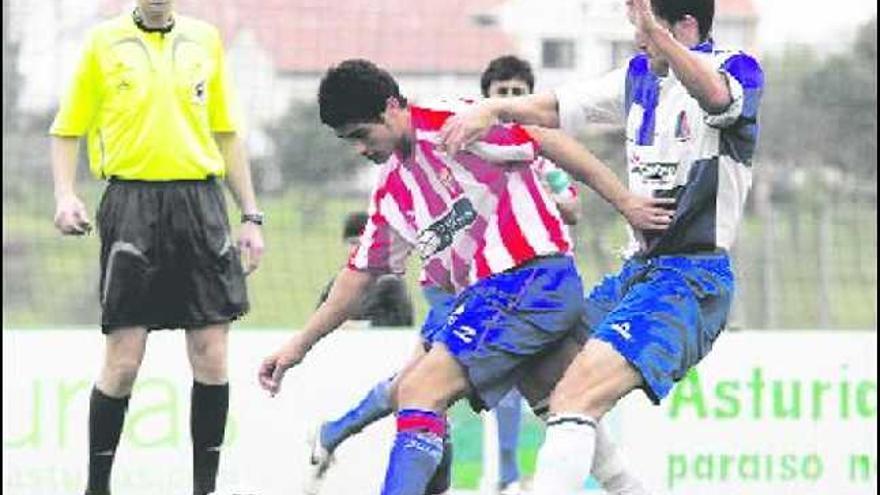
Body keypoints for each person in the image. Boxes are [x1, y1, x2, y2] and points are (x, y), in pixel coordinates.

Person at [258, 58, 671, 495]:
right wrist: (297, 346)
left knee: (418, 390)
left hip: (530, 280)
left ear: (393, 106)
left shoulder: (449, 124)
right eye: (349, 141)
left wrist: (625, 201)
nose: (360, 148)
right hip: (493, 297)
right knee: (566, 410)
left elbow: (545, 137)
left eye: (362, 134)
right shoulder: (392, 188)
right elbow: (359, 275)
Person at [439, 0, 764, 492]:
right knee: (540, 364)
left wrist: (660, 35)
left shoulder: (734, 69)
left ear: (685, 26)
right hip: (638, 274)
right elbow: (556, 107)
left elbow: (716, 96)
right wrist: (494, 108)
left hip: (691, 281)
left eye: (643, 28)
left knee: (576, 396)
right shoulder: (638, 76)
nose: (636, 39)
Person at [49, 2, 265, 494]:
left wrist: (250, 215)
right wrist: (65, 195)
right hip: (131, 204)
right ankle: (96, 487)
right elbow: (67, 131)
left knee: (211, 353)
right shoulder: (103, 42)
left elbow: (227, 133)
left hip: (201, 203)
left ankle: (204, 488)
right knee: (124, 360)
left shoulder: (205, 40)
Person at [317, 211, 415, 327]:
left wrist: (359, 327)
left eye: (363, 243)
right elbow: (318, 320)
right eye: (353, 243)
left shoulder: (390, 283)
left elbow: (402, 322)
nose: (357, 249)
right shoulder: (337, 283)